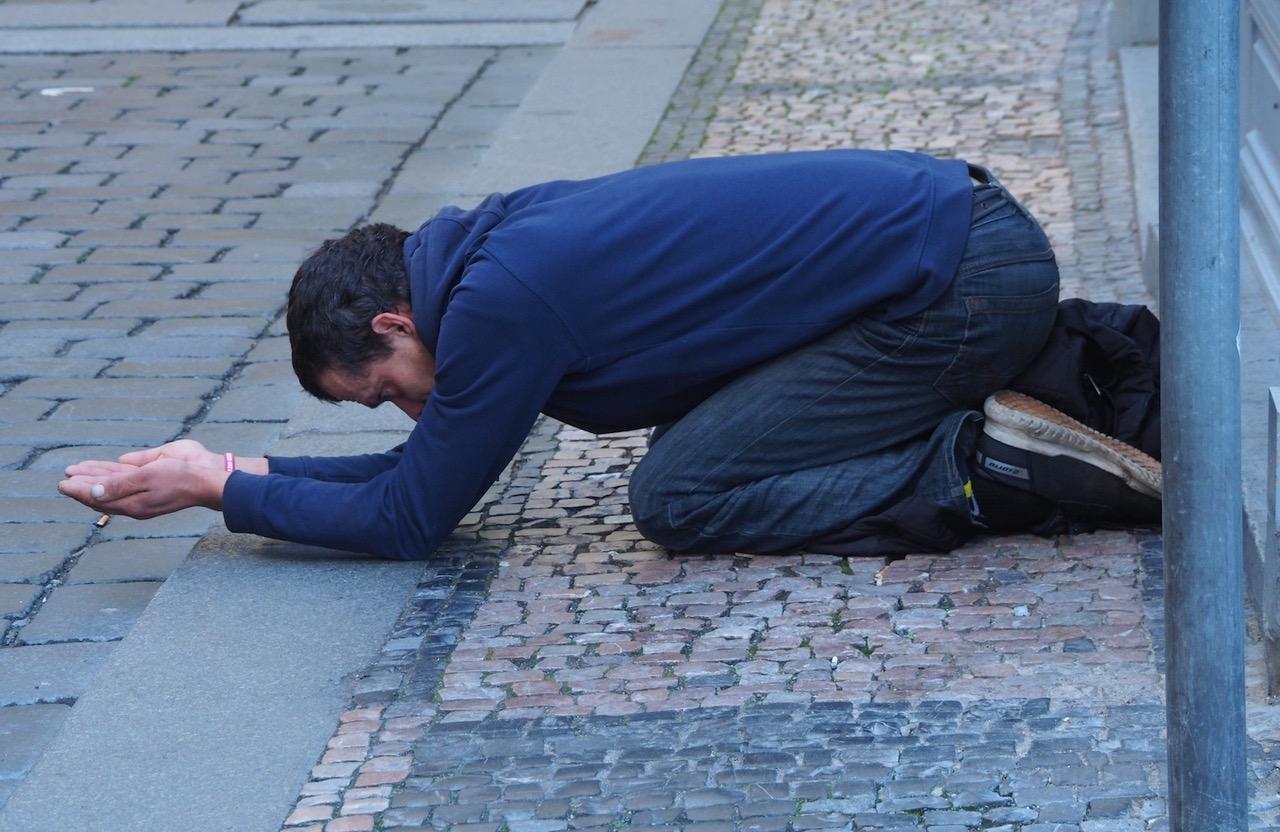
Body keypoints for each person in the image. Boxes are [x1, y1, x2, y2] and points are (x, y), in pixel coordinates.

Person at [57, 149, 1161, 560]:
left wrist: (221, 489)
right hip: (964, 252)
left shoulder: (495, 309)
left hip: (964, 284)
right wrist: (229, 474)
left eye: (380, 392)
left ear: (394, 325)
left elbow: (412, 515)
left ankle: (980, 461)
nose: (400, 414)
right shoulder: (481, 260)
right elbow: (422, 470)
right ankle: (1051, 375)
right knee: (708, 449)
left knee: (681, 492)